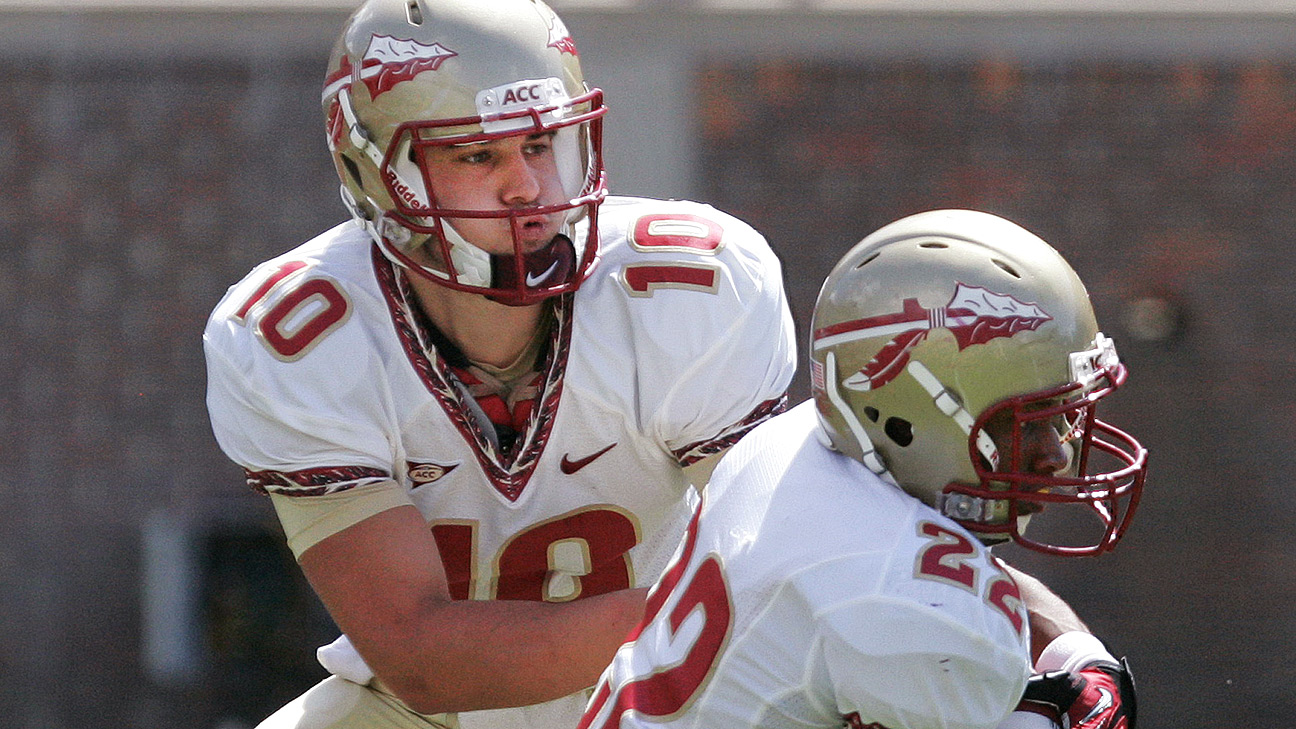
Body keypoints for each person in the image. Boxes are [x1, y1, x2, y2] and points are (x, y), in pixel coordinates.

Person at [202, 1, 796, 727]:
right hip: (432, 709)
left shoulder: (691, 285)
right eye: (478, 154)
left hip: (672, 692)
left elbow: (777, 571)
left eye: (542, 144)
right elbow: (420, 653)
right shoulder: (299, 335)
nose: (527, 188)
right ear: (378, 172)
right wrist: (712, 612)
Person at [578, 209, 1146, 729]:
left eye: (1060, 418)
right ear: (916, 416)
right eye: (1027, 423)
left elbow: (928, 570)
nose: (1059, 454)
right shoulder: (916, 612)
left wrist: (1079, 657)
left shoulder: (793, 444)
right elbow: (918, 592)